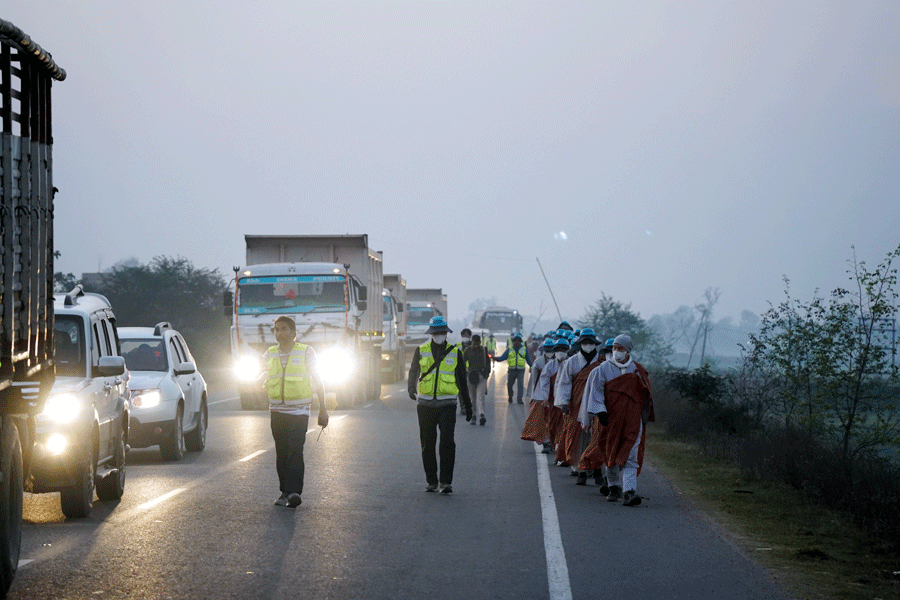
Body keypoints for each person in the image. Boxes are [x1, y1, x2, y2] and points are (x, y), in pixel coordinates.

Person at [584, 334, 654, 506]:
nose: (616, 351)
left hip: (632, 420)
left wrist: (644, 417)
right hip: (610, 419)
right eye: (614, 348)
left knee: (631, 454)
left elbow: (645, 396)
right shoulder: (603, 369)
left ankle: (629, 491)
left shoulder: (637, 370)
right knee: (611, 450)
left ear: (628, 350)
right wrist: (600, 412)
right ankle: (614, 487)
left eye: (620, 348)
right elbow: (597, 391)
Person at [266, 316, 328, 508]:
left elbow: (318, 380)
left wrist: (323, 409)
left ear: (294, 333)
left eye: (284, 329)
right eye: (276, 329)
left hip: (299, 411)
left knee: (295, 450)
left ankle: (294, 492)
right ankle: (284, 491)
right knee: (281, 452)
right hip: (277, 411)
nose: (279, 333)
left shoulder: (307, 352)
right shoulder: (269, 353)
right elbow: (262, 376)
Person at [408, 316, 473, 494]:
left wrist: (467, 405)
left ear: (446, 333)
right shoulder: (421, 350)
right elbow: (414, 370)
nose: (439, 335)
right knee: (427, 444)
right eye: (436, 333)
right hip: (425, 405)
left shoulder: (455, 352)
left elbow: (461, 380)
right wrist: (411, 387)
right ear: (431, 333)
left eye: (441, 332)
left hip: (448, 404)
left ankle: (445, 482)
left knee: (447, 442)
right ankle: (431, 481)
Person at [554, 328, 603, 485]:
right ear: (580, 343)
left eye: (590, 343)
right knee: (579, 439)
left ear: (595, 344)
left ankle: (597, 471)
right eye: (585, 342)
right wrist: (564, 403)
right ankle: (581, 471)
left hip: (597, 406)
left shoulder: (602, 363)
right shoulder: (572, 362)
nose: (588, 345)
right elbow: (564, 384)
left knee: (597, 438)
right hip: (576, 406)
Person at [493, 332, 532, 403]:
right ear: (513, 341)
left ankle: (519, 399)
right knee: (509, 384)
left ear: (520, 341)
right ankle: (510, 396)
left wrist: (532, 366)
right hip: (511, 370)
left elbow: (528, 360)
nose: (517, 342)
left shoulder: (524, 349)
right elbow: (503, 357)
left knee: (520, 384)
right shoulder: (509, 349)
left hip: (521, 370)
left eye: (518, 340)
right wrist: (495, 358)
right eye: (515, 341)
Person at [463, 334, 491, 426]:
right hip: (471, 377)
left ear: (480, 343)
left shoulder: (484, 350)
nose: (476, 346)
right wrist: (464, 374)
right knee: (472, 398)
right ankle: (473, 416)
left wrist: (487, 374)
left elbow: (488, 363)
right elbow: (462, 363)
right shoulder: (467, 350)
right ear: (471, 342)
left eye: (477, 344)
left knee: (481, 396)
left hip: (481, 376)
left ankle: (482, 415)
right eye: (474, 344)